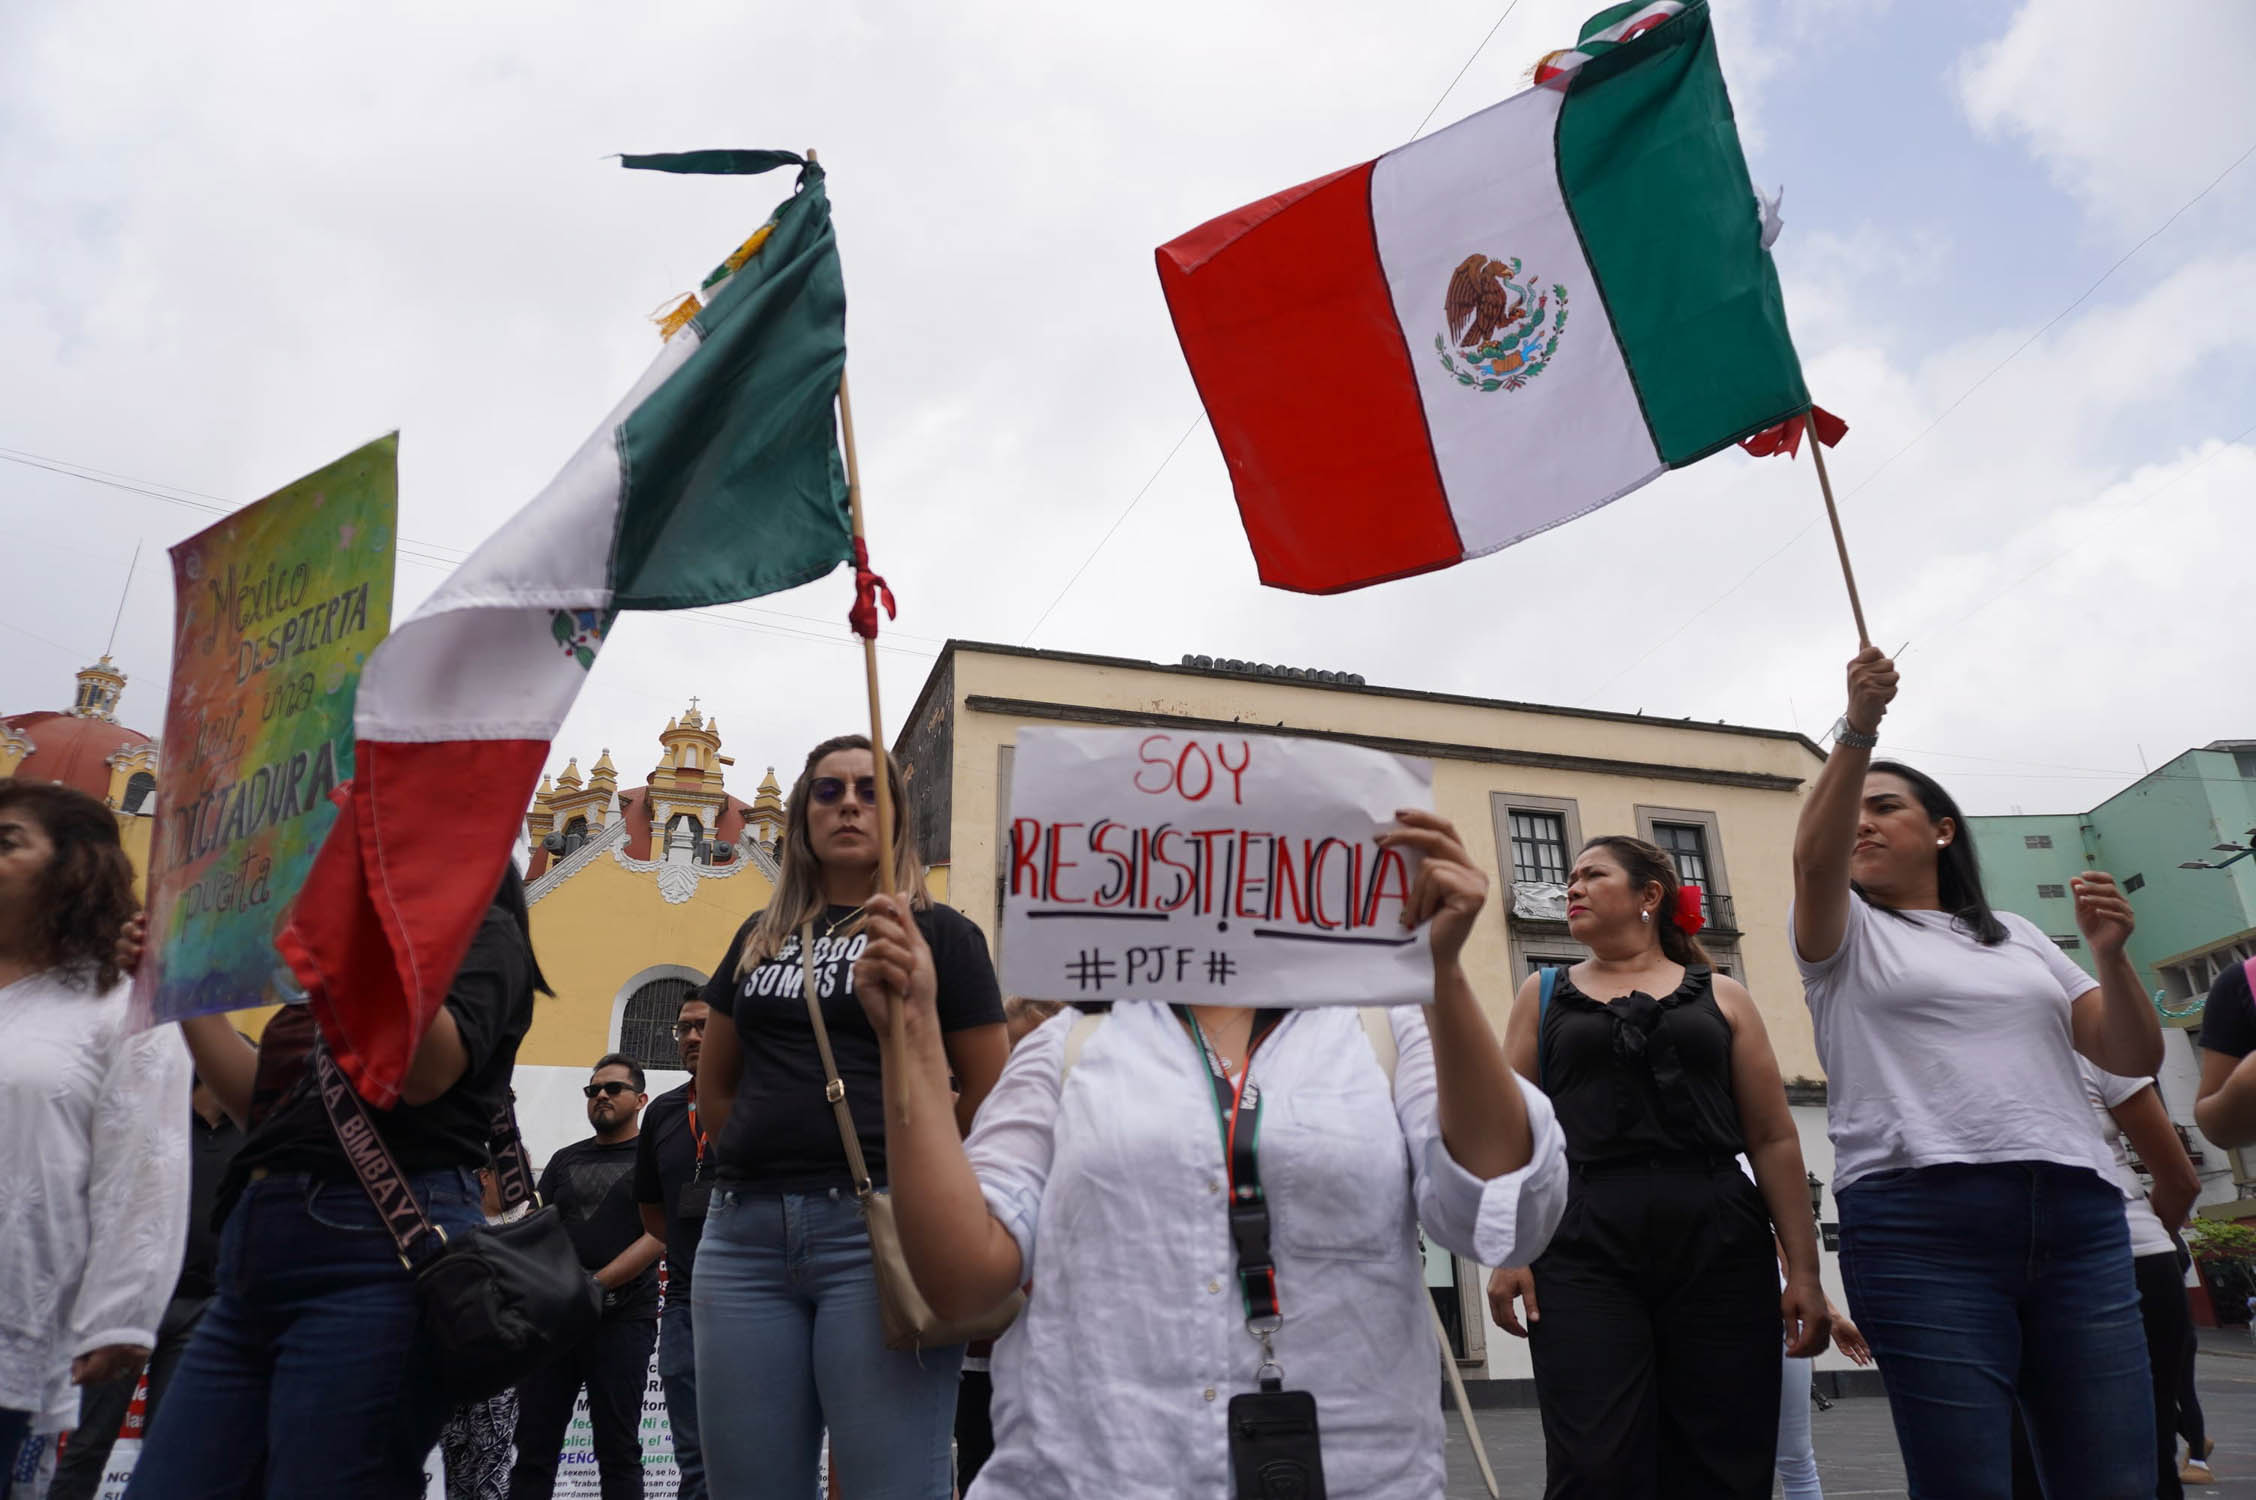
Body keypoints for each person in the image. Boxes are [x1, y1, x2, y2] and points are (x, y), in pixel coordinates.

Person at [861, 807, 1569, 1498]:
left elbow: (1501, 1212)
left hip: (1359, 1471)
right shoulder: (1070, 1046)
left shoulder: (1381, 1033)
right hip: (1090, 1471)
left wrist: (1438, 974)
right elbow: (961, 1280)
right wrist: (915, 1037)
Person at [1791, 646, 2161, 1497]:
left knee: (2112, 1475)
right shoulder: (1840, 932)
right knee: (1967, 1480)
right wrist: (1859, 727)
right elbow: (1814, 859)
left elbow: (2130, 1054)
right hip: (1923, 1223)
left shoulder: (2020, 935)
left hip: (2077, 1216)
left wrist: (2112, 958)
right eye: (1854, 811)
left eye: (1888, 808)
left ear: (1944, 830)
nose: (1863, 824)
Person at [133, 865, 544, 1499]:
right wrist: (183, 985)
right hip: (256, 1259)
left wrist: (349, 930)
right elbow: (263, 1117)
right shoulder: (343, 965)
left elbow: (422, 1073)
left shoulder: (481, 936)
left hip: (374, 1249)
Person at [692, 735, 1008, 1500]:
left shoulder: (942, 936)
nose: (849, 805)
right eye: (828, 792)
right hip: (741, 1238)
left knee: (889, 1487)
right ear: (803, 815)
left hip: (881, 1237)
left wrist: (945, 1206)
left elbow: (996, 1097)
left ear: (899, 816)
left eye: (870, 791)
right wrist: (749, 1148)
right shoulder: (759, 939)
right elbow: (716, 1085)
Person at [1486, 835, 1828, 1497]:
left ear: (1649, 895)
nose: (1572, 888)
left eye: (1592, 874)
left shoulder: (1723, 995)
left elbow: (1774, 1138)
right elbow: (1510, 1133)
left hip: (1718, 1231)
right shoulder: (1543, 993)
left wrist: (1805, 1271)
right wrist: (1509, 1248)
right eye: (1570, 878)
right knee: (1595, 1458)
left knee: (1725, 1452)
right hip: (1580, 1235)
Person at [0, 781, 190, 1465]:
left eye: (7, 841)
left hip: (15, 1311)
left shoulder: (116, 1003)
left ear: (76, 866)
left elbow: (145, 1158)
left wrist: (121, 1314)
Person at [49, 1049, 250, 1500]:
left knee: (168, 1447)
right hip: (135, 1300)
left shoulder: (246, 1135)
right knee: (89, 1442)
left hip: (203, 1307)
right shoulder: (163, 1127)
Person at [509, 1054, 663, 1500]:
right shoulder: (564, 1159)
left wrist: (594, 1286)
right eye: (593, 1090)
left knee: (617, 1450)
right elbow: (537, 1227)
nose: (600, 1096)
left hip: (623, 1321)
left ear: (641, 1099)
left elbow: (659, 1235)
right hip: (554, 1322)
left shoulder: (653, 1158)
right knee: (534, 1450)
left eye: (613, 1089)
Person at [952, 999, 1059, 1496]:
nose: (1016, 1064)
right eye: (1011, 1051)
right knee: (978, 1459)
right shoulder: (970, 1115)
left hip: (1053, 1343)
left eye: (1028, 1048)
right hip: (979, 1346)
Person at [636, 997, 712, 1500]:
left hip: (761, 1301)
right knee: (695, 1462)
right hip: (684, 1303)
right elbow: (653, 1214)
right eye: (683, 1028)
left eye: (703, 1027)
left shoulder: (762, 1102)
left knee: (765, 1455)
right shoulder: (663, 1112)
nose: (690, 1038)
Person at [439, 1165, 533, 1500]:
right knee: (457, 1452)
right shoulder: (456, 1218)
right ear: (484, 1176)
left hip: (500, 1356)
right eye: (511, 1173)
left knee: (493, 1455)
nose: (519, 1184)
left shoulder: (528, 1219)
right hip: (453, 1354)